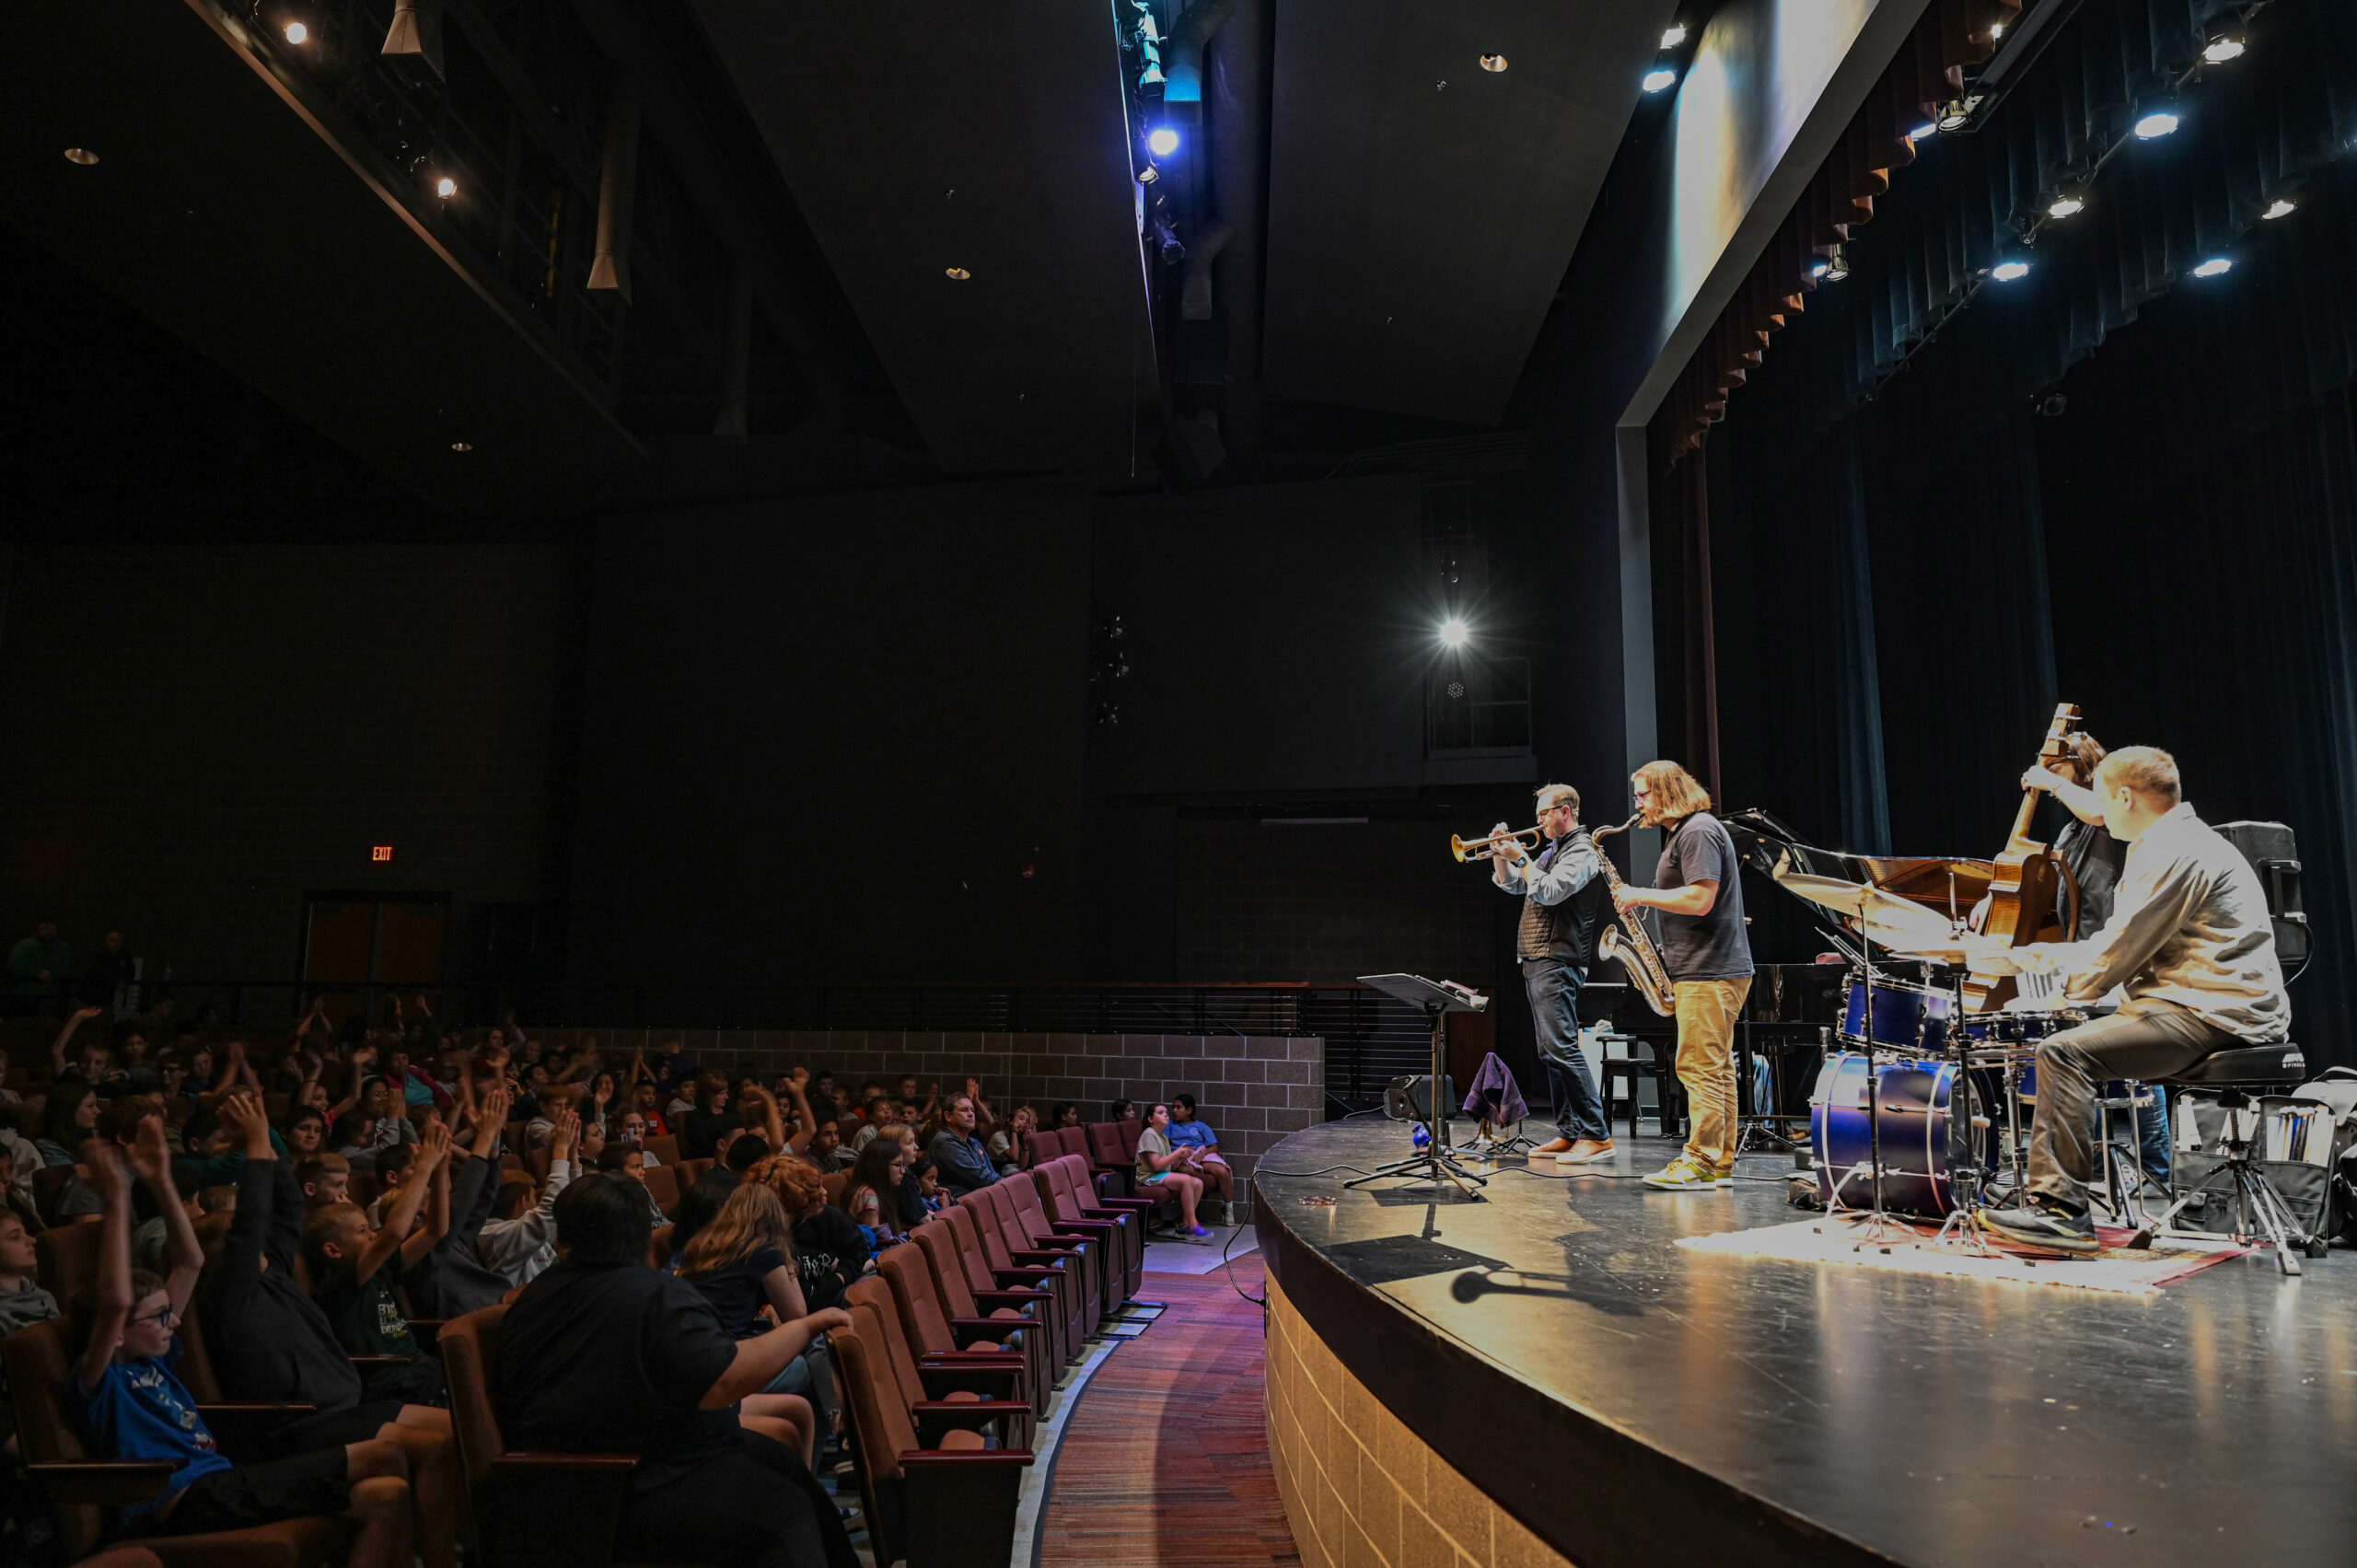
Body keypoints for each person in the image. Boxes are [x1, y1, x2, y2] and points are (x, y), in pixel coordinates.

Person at [1973, 747, 2288, 1252]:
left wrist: (2039, 978)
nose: (2098, 814)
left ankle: (2063, 1215)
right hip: (2190, 1002)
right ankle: (2060, 1202)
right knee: (2072, 1042)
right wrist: (2030, 961)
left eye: (2101, 799)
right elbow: (2127, 949)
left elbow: (2116, 951)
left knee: (2061, 1050)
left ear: (2124, 796)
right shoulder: (2169, 841)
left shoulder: (2178, 851)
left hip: (2215, 1012)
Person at [70, 1125, 416, 1564]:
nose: (173, 1322)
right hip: (177, 1497)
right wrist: (117, 1199)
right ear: (116, 1330)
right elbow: (117, 1300)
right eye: (158, 1317)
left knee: (386, 1494)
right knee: (384, 1453)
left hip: (223, 1478)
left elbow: (191, 1260)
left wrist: (159, 1178)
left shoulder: (159, 1357)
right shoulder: (101, 1379)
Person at [493, 1176, 858, 1568]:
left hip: (581, 1472)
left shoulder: (531, 1299)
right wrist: (804, 1325)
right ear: (641, 1235)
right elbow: (724, 1382)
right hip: (627, 1479)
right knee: (787, 1513)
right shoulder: (653, 1296)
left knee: (787, 1467)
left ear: (562, 1241)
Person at [202, 1092, 459, 1568]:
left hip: (346, 1406)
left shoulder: (273, 1272)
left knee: (454, 1432)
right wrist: (258, 1145)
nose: (259, 1244)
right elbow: (255, 1220)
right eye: (243, 1242)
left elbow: (281, 1213)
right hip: (301, 1423)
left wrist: (268, 1144)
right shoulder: (230, 1293)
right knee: (440, 1447)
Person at [2020, 730, 2171, 1182]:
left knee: (2140, 1069)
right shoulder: (2071, 827)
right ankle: (2101, 1164)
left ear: (2082, 766)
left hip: (2123, 954)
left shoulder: (2110, 814)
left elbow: (2100, 812)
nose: (2048, 772)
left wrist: (2054, 784)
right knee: (2095, 1063)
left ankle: (2155, 1169)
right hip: (2086, 951)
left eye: (2058, 765)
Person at [1612, 761, 1755, 1191]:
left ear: (1667, 791)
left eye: (1643, 794)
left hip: (1709, 971)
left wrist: (1640, 896)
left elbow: (1699, 899)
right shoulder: (1689, 832)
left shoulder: (1696, 831)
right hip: (1707, 969)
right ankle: (1719, 1163)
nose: (1638, 804)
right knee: (1716, 1069)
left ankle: (1699, 1160)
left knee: (1698, 1067)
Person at [1488, 783, 1617, 1165]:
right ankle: (1570, 1131)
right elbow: (1514, 885)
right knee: (1549, 1053)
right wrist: (1501, 855)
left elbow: (1550, 891)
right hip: (1537, 957)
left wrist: (1520, 858)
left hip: (1558, 958)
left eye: (1545, 813)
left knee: (1563, 1048)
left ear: (1566, 811)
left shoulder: (1583, 851)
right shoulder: (1550, 851)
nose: (1539, 819)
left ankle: (1597, 1134)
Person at [303, 1121, 453, 1404]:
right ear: (333, 1250)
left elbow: (436, 1231)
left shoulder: (380, 1268)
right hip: (395, 1382)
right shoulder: (341, 1282)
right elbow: (394, 1233)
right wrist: (423, 1169)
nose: (372, 1234)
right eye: (362, 1231)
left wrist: (441, 1170)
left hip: (422, 1371)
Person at [1134, 1103, 1210, 1238]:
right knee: (1186, 1180)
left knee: (1198, 1183)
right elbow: (1156, 1165)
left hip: (1159, 1174)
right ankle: (1193, 1225)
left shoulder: (1162, 1136)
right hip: (1147, 1178)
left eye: (1166, 1113)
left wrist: (1181, 1157)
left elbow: (1168, 1167)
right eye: (1160, 1112)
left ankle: (1185, 1225)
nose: (1166, 1115)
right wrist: (1177, 1153)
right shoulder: (1149, 1134)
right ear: (1151, 1119)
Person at [1165, 1095, 1235, 1223]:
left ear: (1189, 1110)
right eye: (1173, 1107)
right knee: (1186, 1170)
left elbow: (1214, 1147)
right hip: (1182, 1155)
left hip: (1200, 1154)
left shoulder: (1201, 1126)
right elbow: (1163, 1143)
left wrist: (1202, 1153)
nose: (1174, 1110)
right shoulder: (1170, 1125)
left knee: (1222, 1172)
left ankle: (1228, 1208)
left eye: (1178, 1107)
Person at [924, 1095, 999, 1196]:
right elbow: (979, 1178)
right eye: (964, 1110)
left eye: (972, 1110)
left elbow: (990, 1172)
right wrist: (1008, 1184)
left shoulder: (974, 1142)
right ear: (948, 1116)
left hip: (979, 1198)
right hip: (957, 1204)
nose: (971, 1114)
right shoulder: (945, 1143)